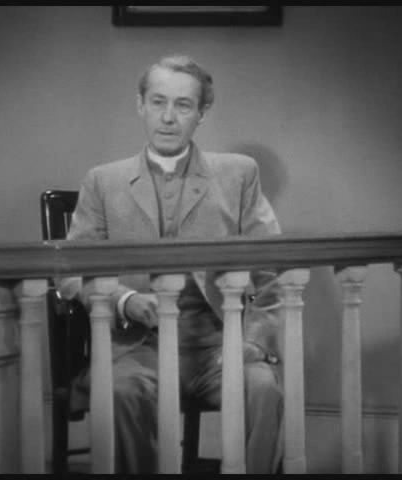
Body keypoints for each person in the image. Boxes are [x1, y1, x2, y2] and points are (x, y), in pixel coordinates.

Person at [59, 54, 285, 474]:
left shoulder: (239, 174)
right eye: (158, 102)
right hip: (137, 348)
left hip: (218, 347)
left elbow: (273, 268)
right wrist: (124, 300)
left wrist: (253, 341)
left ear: (202, 112)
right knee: (122, 391)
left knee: (263, 388)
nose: (167, 117)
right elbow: (70, 273)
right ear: (140, 105)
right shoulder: (103, 181)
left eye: (183, 105)